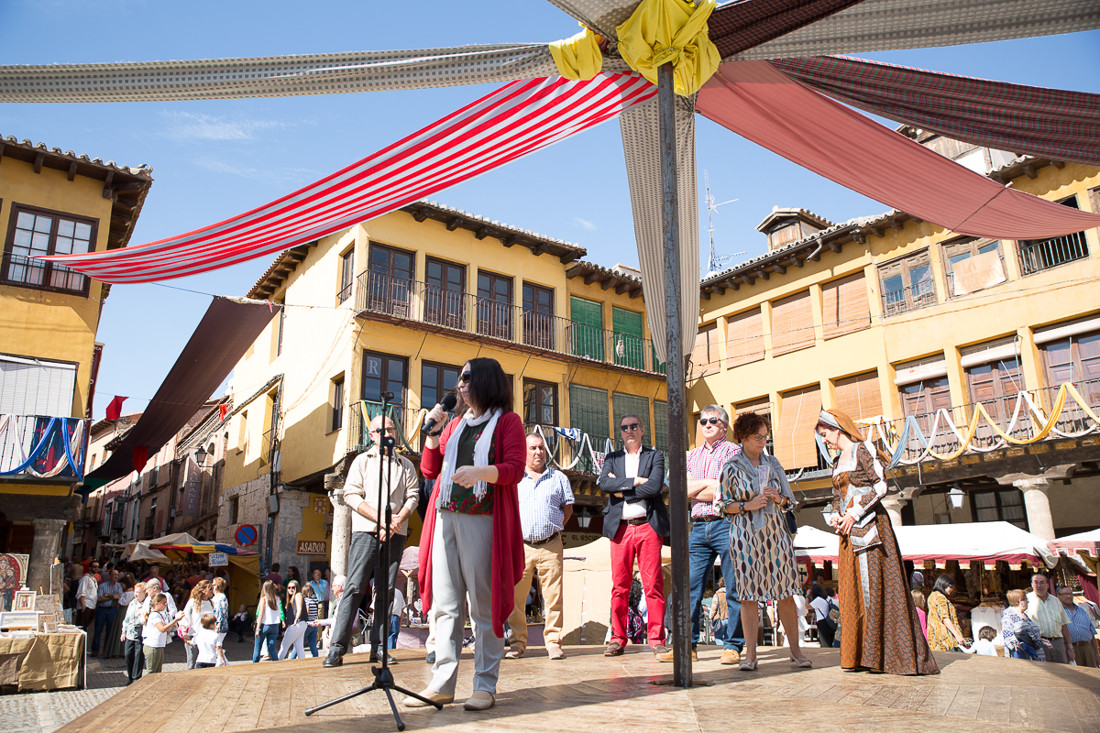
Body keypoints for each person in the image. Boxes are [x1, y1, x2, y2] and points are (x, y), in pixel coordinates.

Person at [409, 357, 526, 712]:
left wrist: (481, 472)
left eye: (467, 378)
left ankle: (485, 685)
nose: (460, 384)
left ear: (486, 381)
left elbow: (515, 470)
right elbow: (430, 470)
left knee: (484, 607)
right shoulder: (455, 423)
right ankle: (442, 684)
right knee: (445, 606)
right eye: (459, 378)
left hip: (484, 520)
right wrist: (432, 433)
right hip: (445, 518)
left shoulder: (508, 422)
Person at [816, 408, 937, 675]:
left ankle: (881, 655)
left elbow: (880, 485)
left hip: (871, 528)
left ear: (837, 428)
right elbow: (836, 496)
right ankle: (859, 655)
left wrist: (855, 512)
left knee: (874, 586)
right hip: (848, 534)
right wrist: (836, 516)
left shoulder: (863, 449)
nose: (824, 441)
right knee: (852, 590)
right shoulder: (837, 462)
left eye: (825, 435)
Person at [323, 414, 420, 668]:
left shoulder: (406, 465)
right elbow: (351, 494)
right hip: (366, 531)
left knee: (387, 590)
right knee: (354, 587)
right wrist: (380, 519)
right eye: (382, 430)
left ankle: (379, 647)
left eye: (391, 429)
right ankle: (336, 648)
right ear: (372, 434)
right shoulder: (361, 461)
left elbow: (413, 495)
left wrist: (399, 518)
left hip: (396, 531)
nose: (388, 434)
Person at [716, 411, 810, 671]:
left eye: (765, 437)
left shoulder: (774, 463)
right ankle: (750, 655)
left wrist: (778, 497)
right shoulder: (731, 466)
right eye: (758, 437)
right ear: (743, 437)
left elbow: (790, 501)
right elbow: (722, 505)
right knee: (747, 596)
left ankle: (796, 651)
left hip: (776, 534)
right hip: (745, 536)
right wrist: (749, 504)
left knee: (786, 594)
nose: (762, 442)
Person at [597, 413, 669, 660]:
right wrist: (637, 482)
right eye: (624, 427)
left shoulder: (655, 456)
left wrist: (622, 489)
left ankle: (657, 639)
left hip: (648, 525)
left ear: (642, 430)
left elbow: (655, 485)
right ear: (621, 432)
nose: (629, 430)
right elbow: (604, 484)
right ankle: (617, 638)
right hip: (621, 528)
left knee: (653, 586)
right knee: (619, 587)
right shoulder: (612, 458)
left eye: (633, 426)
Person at [505, 432, 574, 661]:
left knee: (554, 596)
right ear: (524, 452)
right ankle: (517, 643)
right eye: (533, 448)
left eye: (541, 448)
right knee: (516, 597)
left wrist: (551, 529)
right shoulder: (514, 478)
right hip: (520, 546)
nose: (538, 452)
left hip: (551, 545)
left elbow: (568, 510)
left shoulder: (559, 478)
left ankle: (553, 642)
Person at [686, 405, 744, 665]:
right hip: (698, 525)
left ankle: (733, 645)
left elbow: (727, 489)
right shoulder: (692, 455)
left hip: (727, 522)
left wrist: (702, 488)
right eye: (703, 421)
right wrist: (710, 484)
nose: (706, 424)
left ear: (724, 425)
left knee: (733, 587)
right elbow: (681, 489)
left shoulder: (734, 452)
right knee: (690, 587)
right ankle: (688, 646)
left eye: (713, 420)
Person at [1027, 573, 1075, 664]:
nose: (1039, 586)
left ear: (1047, 585)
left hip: (1058, 643)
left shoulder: (1056, 600)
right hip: (1038, 644)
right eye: (1036, 583)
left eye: (1042, 583)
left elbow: (1064, 625)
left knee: (1063, 671)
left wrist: (1070, 647)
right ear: (1032, 585)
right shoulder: (1027, 600)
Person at [142, 592, 184, 674]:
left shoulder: (159, 614)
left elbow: (167, 629)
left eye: (166, 603)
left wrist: (175, 622)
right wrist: (175, 620)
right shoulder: (154, 615)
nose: (165, 605)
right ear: (156, 603)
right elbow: (162, 629)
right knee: (151, 672)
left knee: (157, 671)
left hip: (159, 645)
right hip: (152, 646)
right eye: (164, 603)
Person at [1057, 585, 1098, 667]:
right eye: (1065, 594)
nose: (1068, 596)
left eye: (1070, 593)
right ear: (1058, 596)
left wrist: (1097, 654)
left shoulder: (1082, 610)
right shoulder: (1058, 612)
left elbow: (1091, 634)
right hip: (1070, 650)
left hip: (1088, 648)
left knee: (1092, 677)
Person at [926, 575, 968, 652]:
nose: (951, 590)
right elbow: (945, 618)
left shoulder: (933, 595)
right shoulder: (940, 597)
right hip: (944, 637)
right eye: (950, 587)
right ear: (943, 584)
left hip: (936, 635)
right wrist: (957, 635)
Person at [1001, 588, 1044, 660]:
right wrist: (1024, 649)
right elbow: (1009, 637)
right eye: (1026, 599)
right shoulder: (1008, 616)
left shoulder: (1024, 615)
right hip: (1024, 657)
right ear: (1020, 601)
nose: (1028, 601)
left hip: (1034, 655)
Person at [181, 580, 214, 669]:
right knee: (191, 665)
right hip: (194, 637)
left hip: (207, 639)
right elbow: (184, 617)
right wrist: (184, 632)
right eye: (210, 588)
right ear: (203, 590)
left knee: (205, 665)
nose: (212, 590)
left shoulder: (211, 603)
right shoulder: (193, 602)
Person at [120, 582, 147, 685]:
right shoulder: (132, 603)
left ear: (144, 593)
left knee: (139, 655)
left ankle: (136, 678)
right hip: (130, 632)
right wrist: (124, 631)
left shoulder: (146, 604)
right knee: (128, 654)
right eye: (135, 592)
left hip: (141, 631)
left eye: (138, 592)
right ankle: (130, 676)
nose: (136, 594)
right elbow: (127, 618)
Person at [91, 568, 123, 656]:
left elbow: (120, 596)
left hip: (112, 609)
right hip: (102, 609)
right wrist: (113, 596)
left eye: (117, 575)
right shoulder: (103, 586)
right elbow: (99, 598)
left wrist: (108, 595)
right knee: (98, 630)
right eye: (114, 575)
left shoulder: (118, 586)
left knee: (110, 631)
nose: (116, 577)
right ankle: (95, 650)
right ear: (110, 576)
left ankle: (106, 651)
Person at [253, 580, 283, 663]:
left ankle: (254, 665)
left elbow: (261, 615)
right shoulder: (277, 598)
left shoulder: (264, 599)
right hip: (274, 626)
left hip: (264, 625)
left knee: (257, 647)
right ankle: (276, 664)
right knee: (272, 648)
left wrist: (257, 628)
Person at [279, 579, 308, 660]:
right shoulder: (292, 597)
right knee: (299, 647)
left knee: (284, 646)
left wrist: (296, 619)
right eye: (289, 587)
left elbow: (299, 609)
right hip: (301, 624)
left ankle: (276, 662)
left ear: (297, 587)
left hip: (297, 624)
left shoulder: (298, 595)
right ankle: (302, 664)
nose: (291, 589)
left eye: (293, 587)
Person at [809, 584, 839, 648]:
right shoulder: (828, 599)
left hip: (822, 622)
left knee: (825, 644)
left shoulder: (818, 599)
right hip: (830, 622)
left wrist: (807, 596)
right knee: (830, 642)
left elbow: (807, 606)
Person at [211, 577, 230, 666]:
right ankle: (221, 663)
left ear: (218, 586)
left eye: (214, 584)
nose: (212, 586)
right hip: (217, 624)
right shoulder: (217, 596)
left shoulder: (221, 597)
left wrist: (218, 624)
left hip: (219, 625)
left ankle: (223, 663)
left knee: (217, 645)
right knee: (217, 645)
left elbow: (221, 612)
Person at [76, 561, 99, 631]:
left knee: (85, 627)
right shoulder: (85, 578)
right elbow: (81, 592)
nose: (96, 568)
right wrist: (83, 606)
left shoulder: (94, 579)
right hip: (86, 606)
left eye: (97, 567)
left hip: (92, 606)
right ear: (90, 568)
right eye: (94, 567)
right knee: (81, 627)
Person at [300, 584, 320, 657]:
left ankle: (292, 658)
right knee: (312, 644)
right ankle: (316, 658)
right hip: (314, 623)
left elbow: (307, 612)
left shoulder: (306, 600)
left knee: (299, 643)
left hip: (308, 624)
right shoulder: (315, 600)